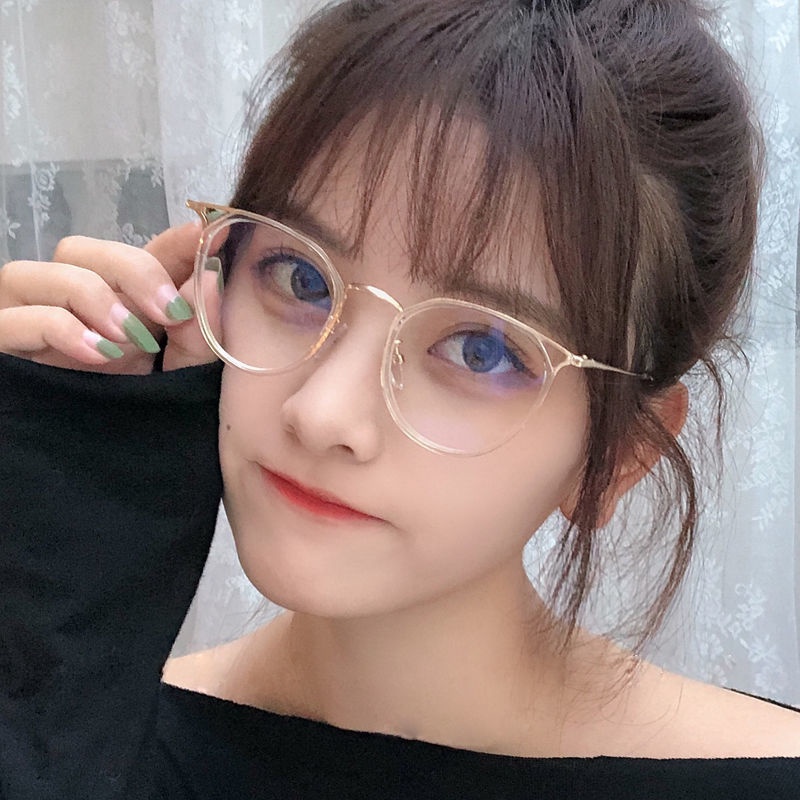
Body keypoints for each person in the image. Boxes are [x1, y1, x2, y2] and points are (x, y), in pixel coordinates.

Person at [0, 0, 798, 797]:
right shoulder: (79, 725)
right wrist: (63, 534)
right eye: (300, 279)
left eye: (482, 350)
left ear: (622, 455)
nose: (322, 414)